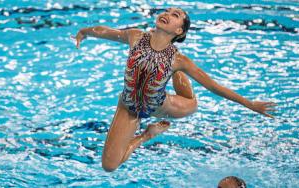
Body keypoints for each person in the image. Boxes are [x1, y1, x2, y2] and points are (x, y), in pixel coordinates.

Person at [72, 7, 276, 172]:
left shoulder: (179, 59)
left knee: (192, 105)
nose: (167, 14)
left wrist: (250, 104)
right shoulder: (135, 37)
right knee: (109, 166)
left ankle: (177, 77)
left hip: (161, 106)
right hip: (129, 106)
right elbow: (105, 31)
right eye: (167, 11)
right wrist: (84, 32)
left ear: (179, 31)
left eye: (175, 15)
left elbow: (214, 86)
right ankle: (148, 134)